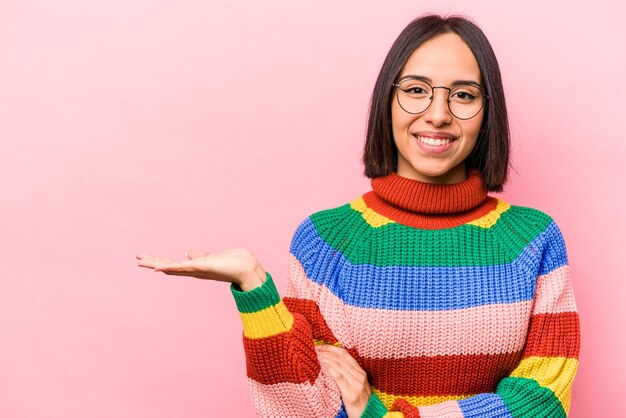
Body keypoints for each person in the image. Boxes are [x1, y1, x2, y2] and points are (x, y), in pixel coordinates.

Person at [136, 13, 580, 418]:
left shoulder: (533, 239)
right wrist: (253, 285)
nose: (439, 114)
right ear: (387, 101)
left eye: (463, 95)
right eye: (415, 90)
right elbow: (305, 406)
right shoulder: (326, 240)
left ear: (488, 112)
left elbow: (543, 402)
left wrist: (382, 415)